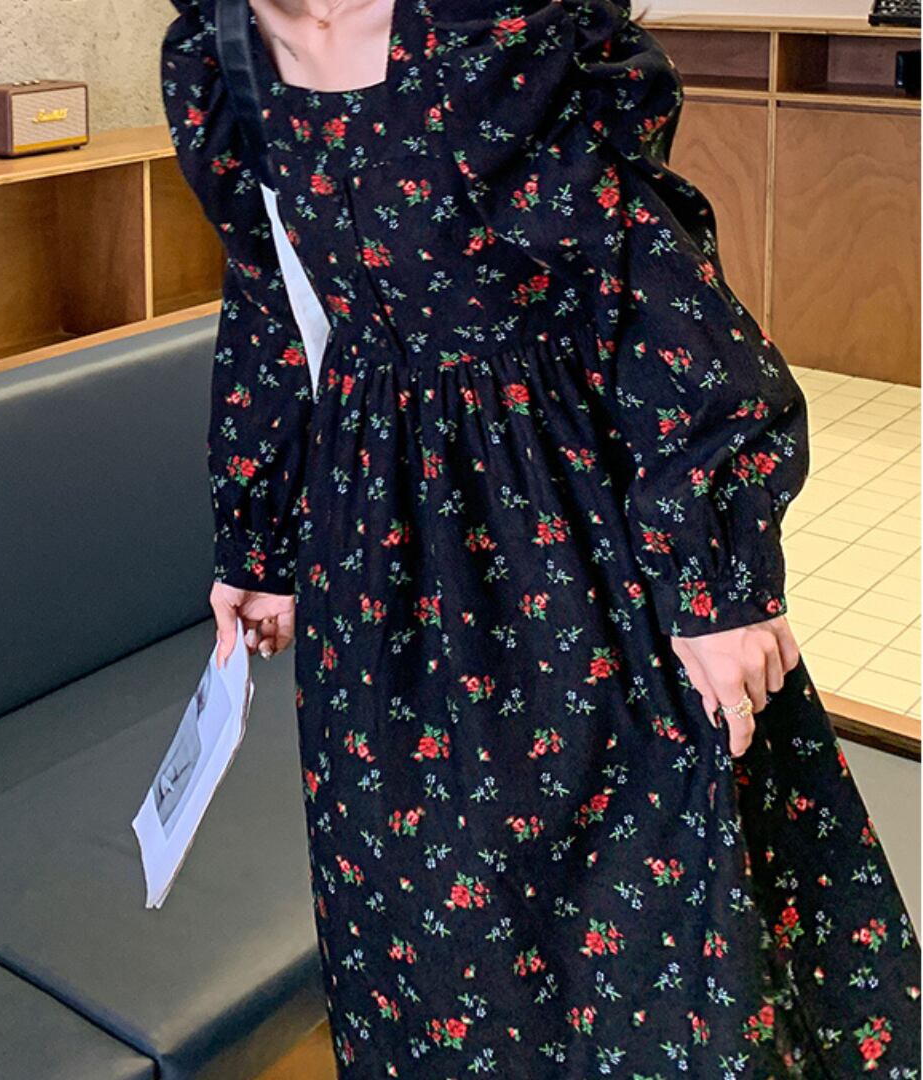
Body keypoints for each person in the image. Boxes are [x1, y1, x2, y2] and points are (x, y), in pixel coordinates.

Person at [159, 0, 922, 1074]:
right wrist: (259, 540)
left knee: (655, 903)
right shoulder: (220, 52)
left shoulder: (496, 27)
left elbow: (643, 279)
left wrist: (718, 578)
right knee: (419, 915)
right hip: (371, 551)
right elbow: (271, 298)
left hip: (567, 516)